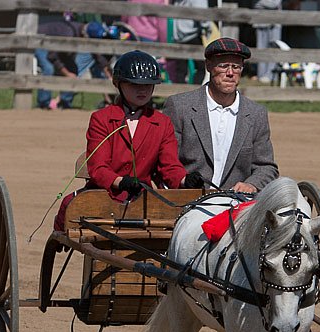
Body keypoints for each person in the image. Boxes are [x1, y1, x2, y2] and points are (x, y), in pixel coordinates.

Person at [53, 50, 202, 231]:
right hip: (105, 194)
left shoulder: (162, 123)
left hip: (143, 197)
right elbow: (97, 167)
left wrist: (185, 180)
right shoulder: (101, 118)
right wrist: (120, 182)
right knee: (71, 206)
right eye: (134, 84)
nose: (143, 89)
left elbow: (169, 166)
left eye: (148, 84)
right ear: (119, 84)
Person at [163, 37, 278, 194]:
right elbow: (166, 160)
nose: (230, 73)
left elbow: (266, 167)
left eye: (236, 67)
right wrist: (184, 181)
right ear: (209, 66)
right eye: (223, 66)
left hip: (235, 204)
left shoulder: (256, 113)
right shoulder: (179, 106)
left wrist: (251, 184)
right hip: (187, 201)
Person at [35, 18, 87, 109]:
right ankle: (44, 103)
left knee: (73, 68)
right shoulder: (69, 34)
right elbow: (52, 56)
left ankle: (64, 102)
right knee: (48, 68)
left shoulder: (78, 31)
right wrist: (67, 73)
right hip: (39, 41)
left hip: (54, 47)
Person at [167, 0, 207, 85]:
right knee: (201, 67)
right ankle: (195, 92)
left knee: (180, 69)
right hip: (193, 33)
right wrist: (206, 26)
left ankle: (182, 94)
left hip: (178, 35)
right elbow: (202, 12)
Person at [252, 0, 283, 84]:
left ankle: (270, 75)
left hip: (274, 22)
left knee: (273, 49)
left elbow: (274, 4)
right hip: (260, 21)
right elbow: (255, 4)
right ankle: (261, 75)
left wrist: (260, 3)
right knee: (261, 49)